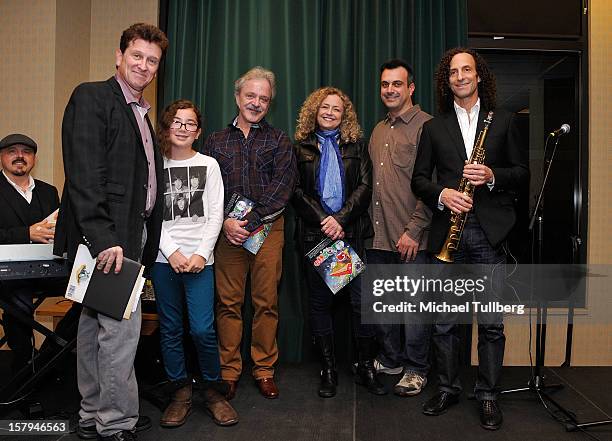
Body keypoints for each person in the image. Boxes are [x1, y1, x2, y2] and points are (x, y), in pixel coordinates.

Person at [54, 23, 168, 441]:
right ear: (118, 57)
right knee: (121, 329)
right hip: (107, 236)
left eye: (151, 60)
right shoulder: (93, 96)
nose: (143, 65)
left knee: (93, 324)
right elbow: (84, 173)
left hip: (124, 233)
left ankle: (94, 413)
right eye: (136, 56)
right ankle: (115, 421)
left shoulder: (139, 112)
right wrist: (104, 239)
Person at [412, 47, 528, 430]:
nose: (460, 76)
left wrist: (492, 175)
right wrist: (442, 194)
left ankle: (488, 395)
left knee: (491, 322)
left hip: (489, 233)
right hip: (449, 231)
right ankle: (447, 388)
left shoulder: (506, 121)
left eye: (467, 70)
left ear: (479, 76)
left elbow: (522, 173)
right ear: (447, 82)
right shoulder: (433, 127)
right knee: (444, 321)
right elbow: (419, 180)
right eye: (453, 72)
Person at [203, 66, 297, 400]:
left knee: (266, 302)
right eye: (250, 96)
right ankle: (228, 371)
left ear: (269, 103)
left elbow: (283, 187)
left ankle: (264, 369)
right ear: (237, 96)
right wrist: (227, 222)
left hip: (268, 229)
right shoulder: (215, 141)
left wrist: (251, 220)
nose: (256, 103)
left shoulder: (279, 140)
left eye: (263, 98)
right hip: (226, 231)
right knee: (228, 303)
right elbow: (209, 190)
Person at [151, 99, 238, 427]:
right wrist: (171, 252)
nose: (183, 129)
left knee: (202, 329)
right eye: (177, 122)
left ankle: (213, 392)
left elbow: (217, 212)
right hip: (164, 260)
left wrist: (201, 253)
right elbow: (151, 214)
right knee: (171, 329)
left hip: (202, 261)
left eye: (189, 124)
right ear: (167, 127)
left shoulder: (209, 165)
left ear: (198, 131)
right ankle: (181, 393)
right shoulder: (155, 167)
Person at [293, 86, 384, 397]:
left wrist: (341, 219)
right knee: (321, 305)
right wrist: (325, 221)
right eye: (324, 108)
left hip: (351, 235)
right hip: (316, 237)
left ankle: (363, 366)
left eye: (336, 109)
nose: (330, 113)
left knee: (361, 304)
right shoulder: (301, 147)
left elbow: (366, 186)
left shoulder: (357, 146)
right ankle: (328, 369)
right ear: (314, 112)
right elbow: (296, 192)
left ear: (345, 116)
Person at [367, 59, 433, 397]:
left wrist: (415, 230)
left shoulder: (428, 127)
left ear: (411, 88)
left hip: (410, 238)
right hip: (378, 238)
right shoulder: (378, 130)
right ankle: (391, 360)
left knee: (413, 310)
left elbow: (433, 185)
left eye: (397, 84)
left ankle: (416, 368)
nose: (390, 90)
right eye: (385, 85)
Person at [0, 134, 59, 373]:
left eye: (26, 151)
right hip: (7, 274)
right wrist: (27, 233)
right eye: (12, 151)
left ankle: (52, 354)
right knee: (18, 297)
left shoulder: (49, 191)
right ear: (2, 157)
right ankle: (25, 363)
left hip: (50, 270)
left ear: (34, 158)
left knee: (90, 293)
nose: (20, 156)